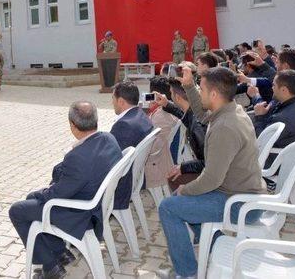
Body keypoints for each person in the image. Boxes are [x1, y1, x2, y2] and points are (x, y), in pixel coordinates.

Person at [158, 67, 266, 279]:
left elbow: (212, 179)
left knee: (169, 207)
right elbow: (200, 113)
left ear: (214, 95)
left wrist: (185, 189)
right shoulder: (230, 110)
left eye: (202, 89)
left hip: (240, 202)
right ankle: (213, 244)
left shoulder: (225, 126)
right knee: (181, 201)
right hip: (237, 191)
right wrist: (189, 86)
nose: (201, 93)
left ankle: (187, 273)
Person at [9, 101, 123, 279]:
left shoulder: (77, 156)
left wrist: (41, 192)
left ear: (73, 125)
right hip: (97, 204)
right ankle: (61, 252)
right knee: (32, 199)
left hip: (81, 213)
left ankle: (50, 267)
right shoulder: (109, 138)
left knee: (17, 210)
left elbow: (57, 193)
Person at [251, 70, 295, 168]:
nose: (272, 88)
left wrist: (259, 116)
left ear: (284, 90)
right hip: (287, 151)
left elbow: (261, 141)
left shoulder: (283, 118)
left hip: (273, 160)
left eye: (274, 85)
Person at [110, 81, 154, 210]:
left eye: (113, 98)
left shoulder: (124, 125)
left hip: (121, 187)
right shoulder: (141, 115)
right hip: (135, 177)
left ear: (121, 101)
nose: (111, 102)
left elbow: (110, 160)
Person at [146, 77, 179, 190]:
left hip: (157, 161)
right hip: (170, 154)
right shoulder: (173, 108)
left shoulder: (159, 116)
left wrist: (150, 113)